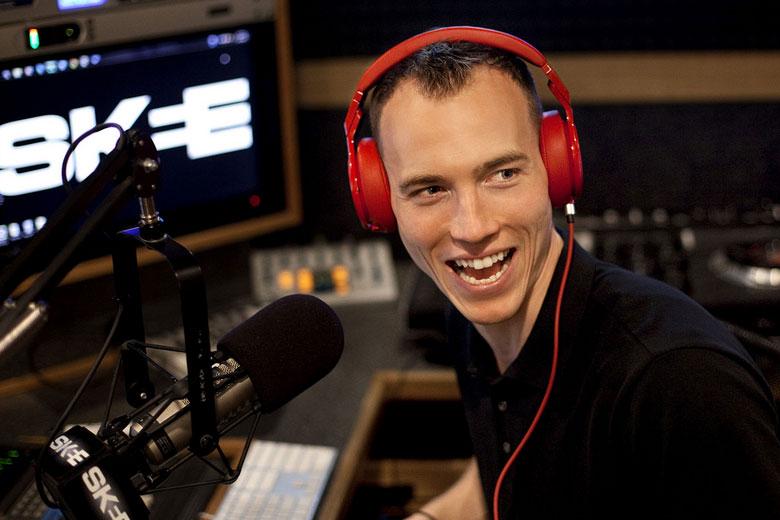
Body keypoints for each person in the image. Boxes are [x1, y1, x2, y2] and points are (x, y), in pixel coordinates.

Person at [344, 27, 780, 519]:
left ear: (555, 168)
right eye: (430, 190)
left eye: (502, 174)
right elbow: (503, 477)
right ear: (381, 202)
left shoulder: (677, 383)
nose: (472, 228)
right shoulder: (470, 320)